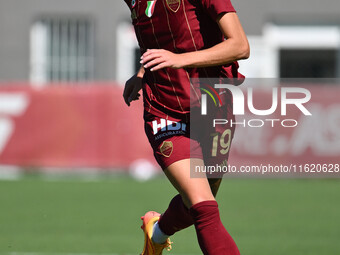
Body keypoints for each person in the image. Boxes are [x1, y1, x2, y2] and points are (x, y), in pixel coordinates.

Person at [123, 0, 249, 254]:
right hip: (165, 111)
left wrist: (181, 60)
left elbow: (240, 46)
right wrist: (141, 74)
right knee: (203, 207)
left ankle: (156, 232)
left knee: (200, 201)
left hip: (214, 108)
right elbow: (158, 38)